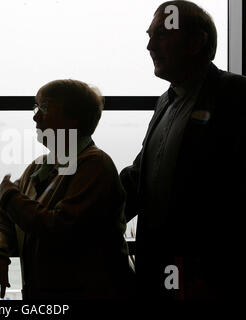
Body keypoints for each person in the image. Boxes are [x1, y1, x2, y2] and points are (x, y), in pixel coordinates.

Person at [120, 1, 246, 299]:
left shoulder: (236, 96)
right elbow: (142, 176)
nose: (149, 45)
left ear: (196, 42)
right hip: (163, 271)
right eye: (150, 35)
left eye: (161, 35)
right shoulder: (166, 101)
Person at [0, 79, 132, 300]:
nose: (35, 116)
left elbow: (58, 228)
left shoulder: (96, 166)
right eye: (36, 108)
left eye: (43, 107)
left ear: (73, 119)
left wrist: (8, 195)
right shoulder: (40, 166)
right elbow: (2, 218)